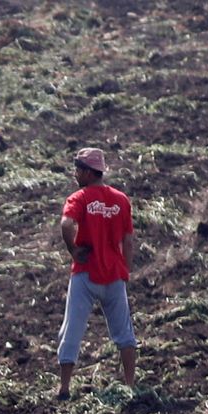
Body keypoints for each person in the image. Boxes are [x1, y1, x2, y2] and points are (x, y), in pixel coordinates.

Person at [56, 147, 137, 400]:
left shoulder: (79, 198)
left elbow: (66, 224)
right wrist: (126, 270)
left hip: (86, 273)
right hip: (113, 274)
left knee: (72, 329)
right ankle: (131, 385)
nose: (75, 174)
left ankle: (65, 388)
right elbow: (129, 240)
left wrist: (73, 250)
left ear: (90, 173)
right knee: (124, 332)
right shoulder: (121, 200)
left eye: (79, 169)